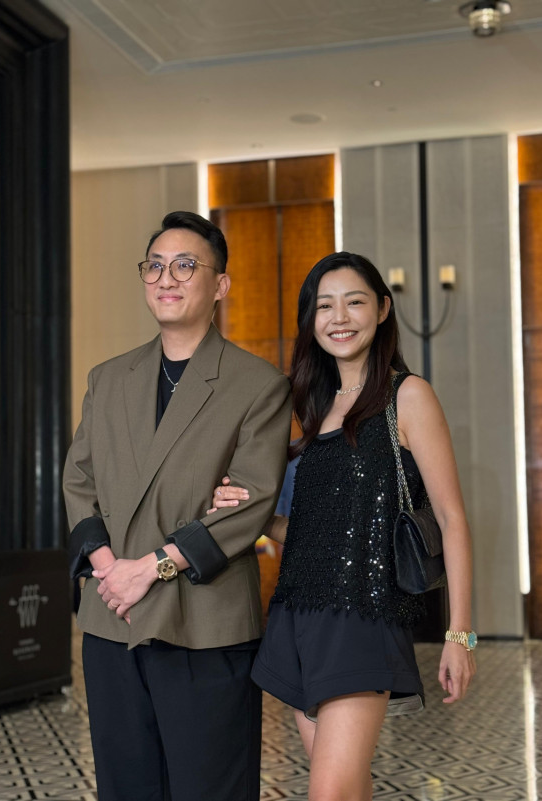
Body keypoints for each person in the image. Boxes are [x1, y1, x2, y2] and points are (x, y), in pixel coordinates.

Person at [210, 251, 476, 801]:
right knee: (348, 787)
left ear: (382, 309)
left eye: (354, 302)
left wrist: (460, 634)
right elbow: (314, 534)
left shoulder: (408, 396)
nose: (340, 317)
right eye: (325, 306)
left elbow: (452, 519)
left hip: (364, 618)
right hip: (296, 614)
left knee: (328, 791)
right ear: (311, 320)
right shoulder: (312, 406)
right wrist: (250, 514)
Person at [63, 211, 292, 801]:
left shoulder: (257, 384)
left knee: (209, 787)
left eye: (186, 265)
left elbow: (250, 500)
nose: (167, 278)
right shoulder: (108, 379)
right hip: (113, 619)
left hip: (205, 623)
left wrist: (148, 568)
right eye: (155, 266)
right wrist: (111, 571)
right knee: (126, 786)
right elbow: (79, 479)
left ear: (220, 285)